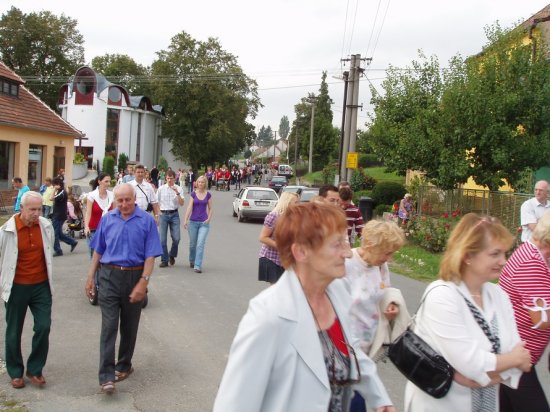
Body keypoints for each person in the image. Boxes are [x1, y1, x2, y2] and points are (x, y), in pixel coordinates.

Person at [214, 202, 395, 412]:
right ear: (301, 252)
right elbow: (235, 403)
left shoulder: (338, 292)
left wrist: (380, 399)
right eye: (337, 244)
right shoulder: (268, 315)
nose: (347, 253)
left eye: (346, 242)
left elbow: (352, 352)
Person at [404, 213, 531, 412]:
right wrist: (511, 360)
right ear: (468, 255)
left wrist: (486, 373)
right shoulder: (442, 296)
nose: (503, 261)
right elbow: (472, 364)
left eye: (504, 253)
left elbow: (518, 360)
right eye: (495, 254)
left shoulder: (498, 296)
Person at [84, 183, 162, 394]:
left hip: (135, 276)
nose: (124, 204)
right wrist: (91, 277)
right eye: (120, 200)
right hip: (109, 276)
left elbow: (150, 255)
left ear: (134, 198)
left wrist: (143, 282)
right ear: (114, 201)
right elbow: (98, 251)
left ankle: (124, 365)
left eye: (128, 199)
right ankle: (106, 376)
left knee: (129, 326)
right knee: (109, 326)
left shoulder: (146, 221)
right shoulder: (107, 219)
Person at [344, 219, 409, 412]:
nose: (389, 258)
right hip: (345, 348)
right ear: (371, 245)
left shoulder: (380, 266)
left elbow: (385, 290)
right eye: (387, 252)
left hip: (369, 349)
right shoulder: (346, 263)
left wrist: (390, 305)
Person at [0, 191, 54, 389]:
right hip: (17, 286)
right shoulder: (7, 230)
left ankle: (35, 368)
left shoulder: (46, 226)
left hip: (41, 286)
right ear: (21, 208)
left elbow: (47, 255)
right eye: (32, 209)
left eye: (39, 209)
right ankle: (15, 372)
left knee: (43, 326)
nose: (36, 213)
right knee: (13, 331)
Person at [499, 210, 550, 411]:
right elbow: (541, 319)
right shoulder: (531, 262)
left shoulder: (538, 257)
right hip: (515, 356)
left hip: (518, 356)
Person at [258, 191, 299, 284]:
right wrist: (282, 246)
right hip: (271, 258)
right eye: (295, 202)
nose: (298, 205)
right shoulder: (274, 216)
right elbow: (263, 238)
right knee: (277, 290)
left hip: (286, 260)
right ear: (287, 202)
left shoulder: (294, 218)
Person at [183, 175, 212, 273]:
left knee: (200, 244)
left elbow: (211, 208)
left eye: (202, 182)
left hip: (204, 223)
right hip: (193, 222)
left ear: (205, 184)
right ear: (196, 183)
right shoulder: (193, 194)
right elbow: (189, 207)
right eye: (199, 182)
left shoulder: (208, 195)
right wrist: (185, 220)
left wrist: (209, 219)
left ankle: (197, 265)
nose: (200, 184)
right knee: (192, 244)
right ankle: (192, 260)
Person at [157, 170, 184, 268]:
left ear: (174, 178)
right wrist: (157, 215)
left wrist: (177, 193)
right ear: (165, 178)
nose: (169, 180)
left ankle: (172, 255)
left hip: (174, 214)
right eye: (167, 178)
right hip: (163, 214)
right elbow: (156, 202)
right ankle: (164, 260)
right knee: (162, 240)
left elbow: (182, 203)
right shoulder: (161, 189)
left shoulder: (179, 188)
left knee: (177, 238)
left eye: (171, 178)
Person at [84, 173, 114, 257]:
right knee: (94, 257)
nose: (108, 184)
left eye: (109, 182)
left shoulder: (112, 195)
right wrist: (86, 227)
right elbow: (88, 212)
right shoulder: (91, 195)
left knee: (106, 256)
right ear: (99, 182)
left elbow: (115, 213)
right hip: (94, 230)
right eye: (106, 181)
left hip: (108, 230)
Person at [50, 177, 77, 257]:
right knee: (59, 233)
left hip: (59, 215)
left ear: (57, 184)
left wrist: (54, 190)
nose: (52, 186)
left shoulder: (62, 192)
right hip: (58, 214)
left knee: (55, 233)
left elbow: (51, 198)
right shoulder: (61, 191)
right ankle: (72, 242)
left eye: (53, 185)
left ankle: (58, 250)